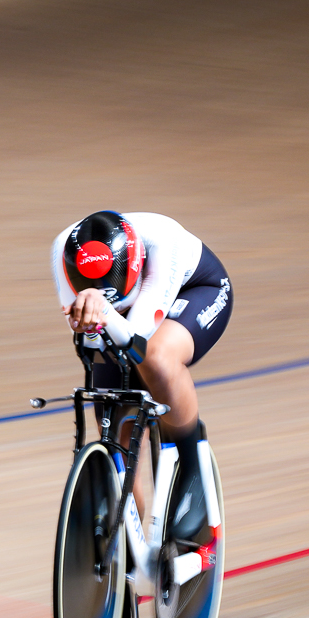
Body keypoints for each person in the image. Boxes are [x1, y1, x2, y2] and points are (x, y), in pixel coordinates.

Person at [51, 210, 231, 574]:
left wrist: (104, 313)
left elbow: (138, 345)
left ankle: (192, 467)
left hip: (193, 290)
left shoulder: (162, 246)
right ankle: (126, 550)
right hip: (119, 312)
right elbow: (90, 340)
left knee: (159, 362)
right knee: (114, 413)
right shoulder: (63, 251)